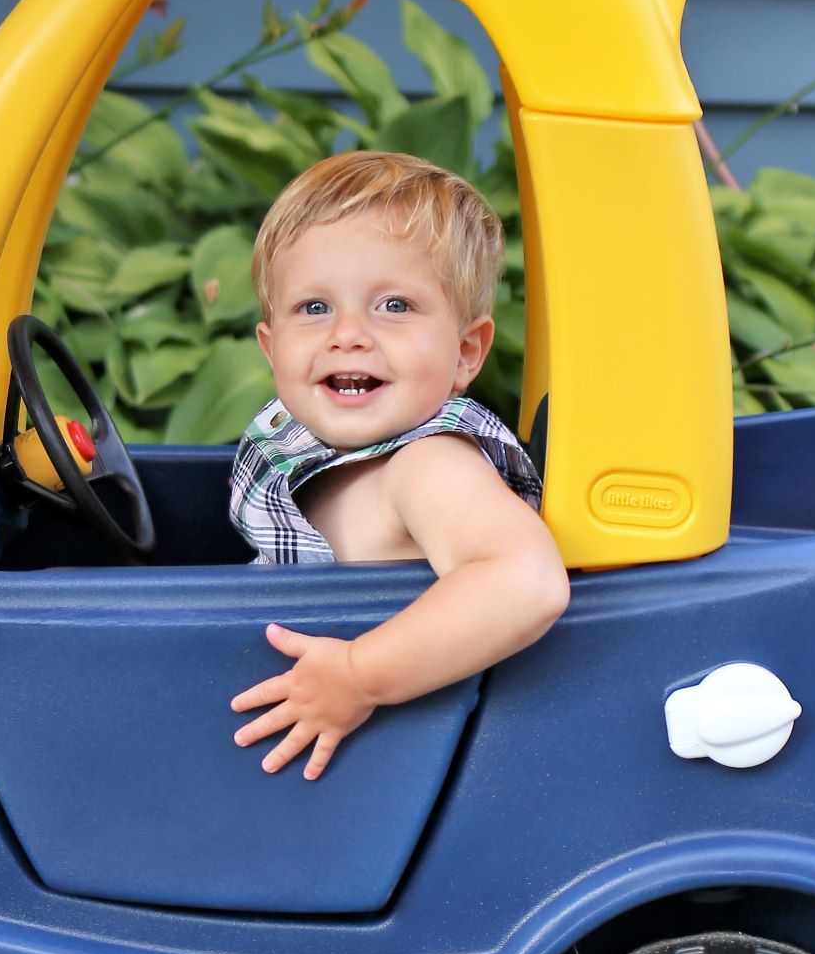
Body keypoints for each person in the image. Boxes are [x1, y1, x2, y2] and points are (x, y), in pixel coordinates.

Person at [228, 150, 570, 780]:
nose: (348, 334)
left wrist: (359, 677)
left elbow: (527, 582)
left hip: (383, 767)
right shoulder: (310, 451)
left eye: (394, 307)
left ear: (465, 351)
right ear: (272, 350)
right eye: (313, 308)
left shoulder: (429, 464)